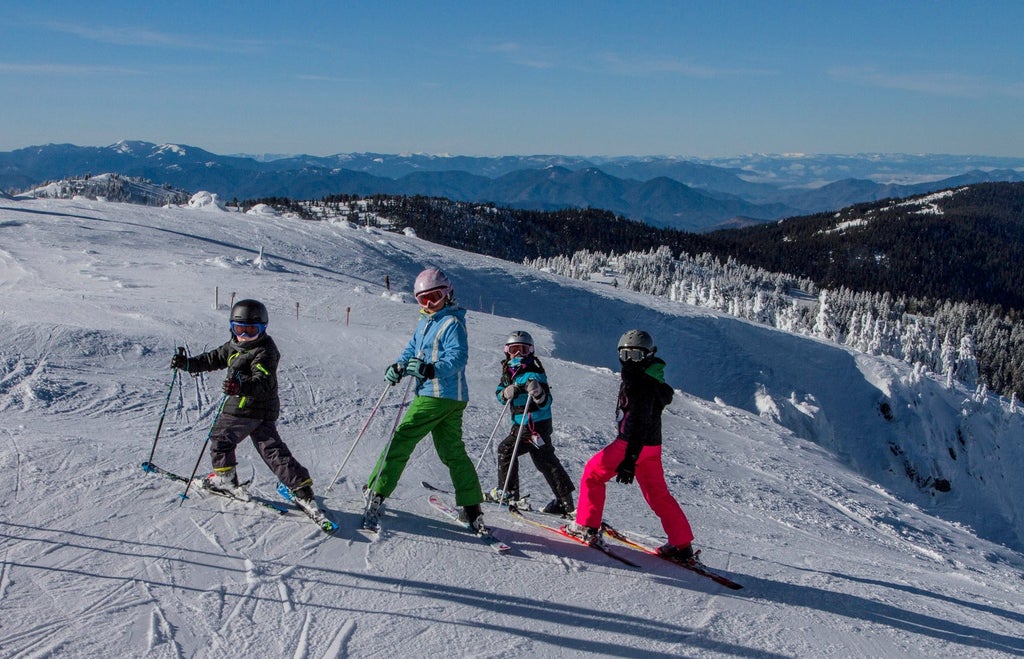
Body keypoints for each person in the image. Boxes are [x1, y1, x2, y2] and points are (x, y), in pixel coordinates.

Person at [363, 268, 487, 532]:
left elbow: (457, 357)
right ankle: (472, 507)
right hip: (453, 398)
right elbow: (412, 349)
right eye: (424, 299)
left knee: (402, 438)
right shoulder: (427, 322)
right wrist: (399, 366)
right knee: (451, 451)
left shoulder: (451, 323)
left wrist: (430, 370)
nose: (430, 304)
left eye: (436, 296)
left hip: (436, 395)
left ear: (448, 293)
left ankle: (377, 491)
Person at [170, 299, 317, 508]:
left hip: (245, 407)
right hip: (262, 410)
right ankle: (300, 487)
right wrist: (187, 364)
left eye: (251, 330)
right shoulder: (234, 345)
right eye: (240, 328)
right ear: (232, 327)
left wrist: (241, 387)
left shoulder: (265, 351)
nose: (245, 335)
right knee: (272, 449)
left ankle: (225, 479)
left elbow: (263, 380)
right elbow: (212, 359)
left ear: (263, 328)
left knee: (221, 438)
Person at [566, 329, 696, 563]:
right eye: (624, 355)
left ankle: (586, 525)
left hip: (631, 444)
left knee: (593, 474)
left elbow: (640, 421)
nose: (628, 361)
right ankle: (681, 544)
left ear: (648, 355)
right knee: (658, 494)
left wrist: (629, 459)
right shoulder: (653, 379)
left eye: (635, 356)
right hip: (652, 448)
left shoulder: (640, 383)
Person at [486, 331, 575, 516]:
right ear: (507, 352)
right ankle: (565, 503)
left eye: (523, 350)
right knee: (545, 461)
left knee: (506, 450)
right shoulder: (508, 372)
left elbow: (546, 402)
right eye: (514, 350)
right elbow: (499, 395)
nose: (518, 354)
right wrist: (505, 393)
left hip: (532, 425)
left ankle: (508, 493)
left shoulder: (534, 373)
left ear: (531, 351)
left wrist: (538, 394)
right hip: (525, 424)